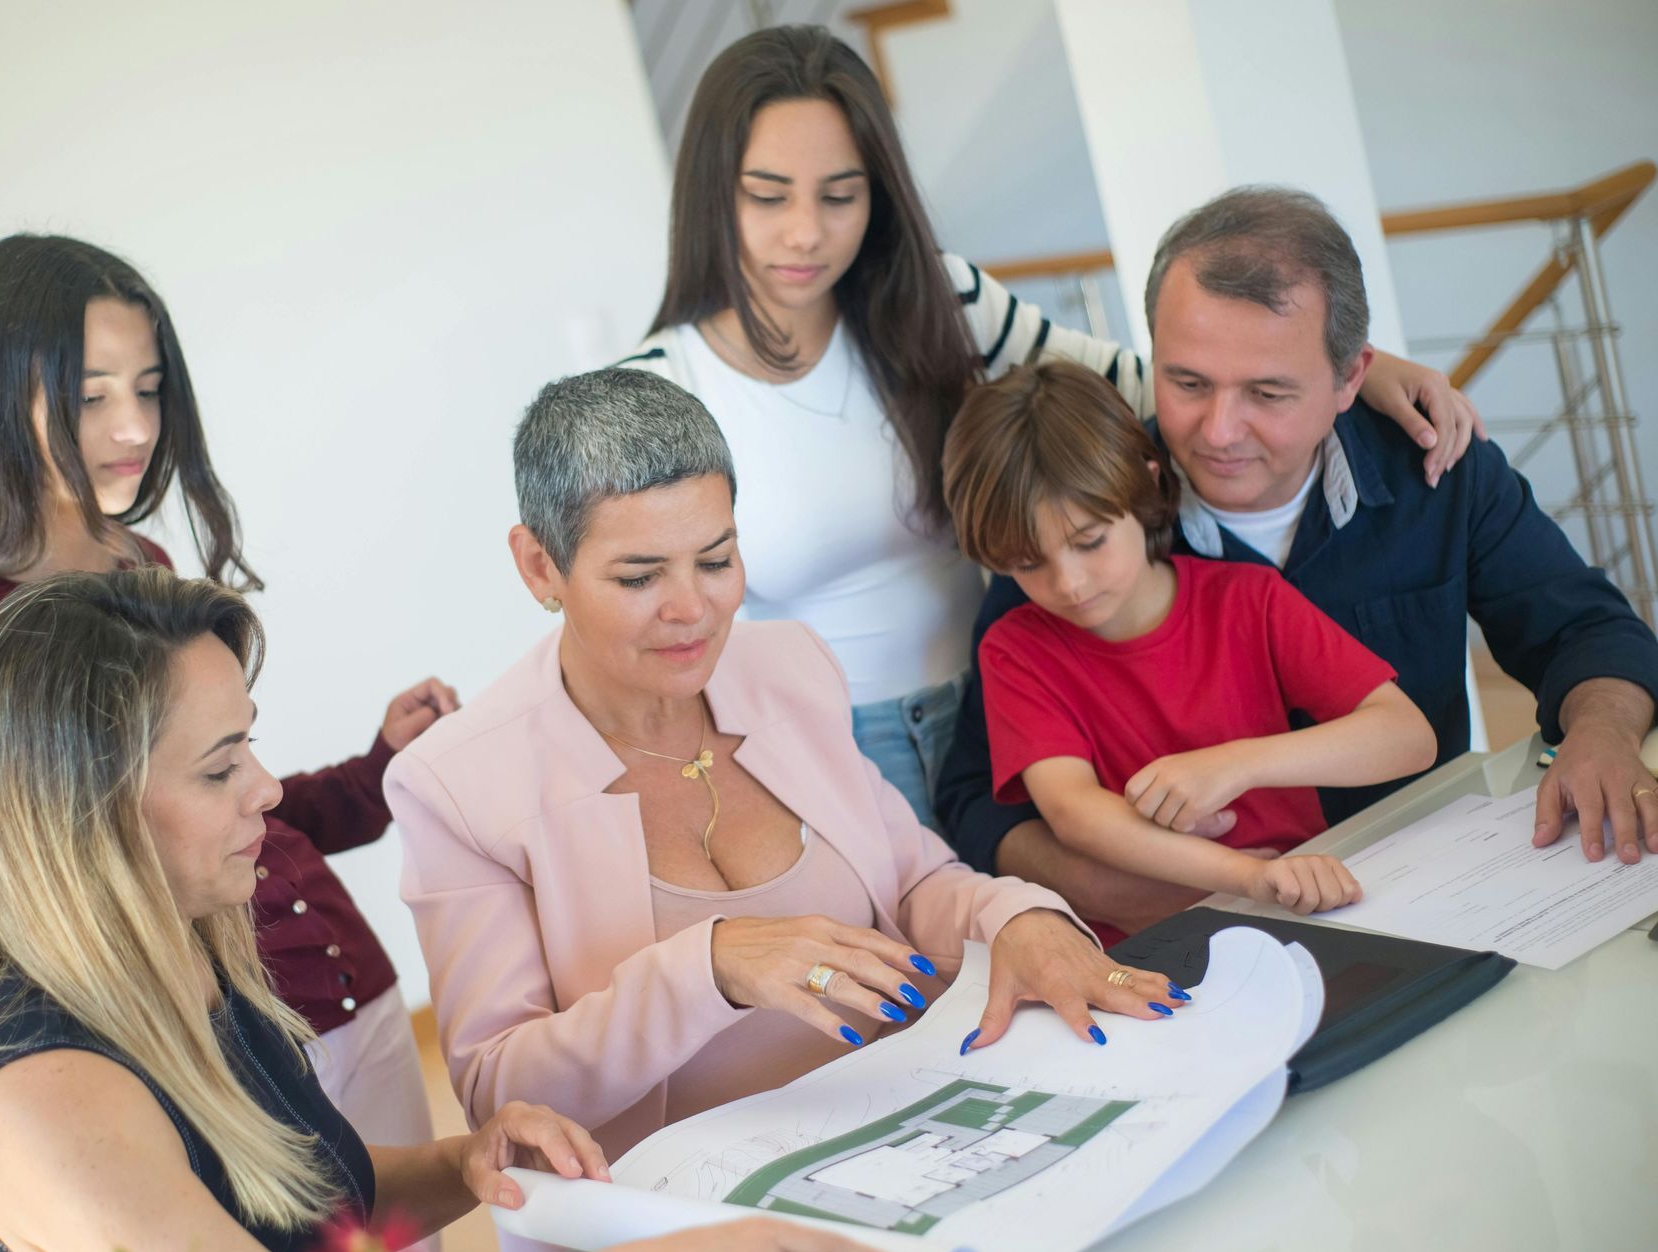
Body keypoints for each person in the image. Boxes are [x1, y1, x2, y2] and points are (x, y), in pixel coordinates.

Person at [0, 236, 456, 1252]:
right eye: (90, 395)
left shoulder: (143, 564)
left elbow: (222, 795)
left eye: (150, 387)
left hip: (307, 1000)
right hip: (179, 1045)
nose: (133, 428)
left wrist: (373, 768)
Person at [0, 568, 909, 1252]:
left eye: (252, 746)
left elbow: (315, 1207)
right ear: (84, 812)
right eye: (219, 765)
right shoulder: (51, 1105)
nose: (268, 791)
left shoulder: (194, 973)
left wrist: (463, 1163)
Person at [619, 24, 1483, 826]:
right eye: (768, 197)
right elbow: (644, 614)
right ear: (711, 195)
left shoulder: (940, 301)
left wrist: (1365, 375)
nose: (805, 232)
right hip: (825, 745)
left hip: (1009, 705)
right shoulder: (657, 392)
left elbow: (1156, 390)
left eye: (841, 196)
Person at [387, 369, 1189, 1190]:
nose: (692, 608)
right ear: (538, 566)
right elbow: (499, 1089)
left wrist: (1020, 917)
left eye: (717, 558)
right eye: (639, 577)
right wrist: (711, 968)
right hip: (682, 1212)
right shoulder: (454, 784)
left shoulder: (789, 667)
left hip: (915, 1133)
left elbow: (915, 882)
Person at [936, 187, 1658, 936]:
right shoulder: (1081, 514)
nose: (1219, 431)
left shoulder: (1438, 469)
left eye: (1268, 392)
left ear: (1351, 379)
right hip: (1203, 927)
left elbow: (1585, 630)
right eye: (1187, 382)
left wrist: (1600, 734)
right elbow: (974, 796)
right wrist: (1111, 884)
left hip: (1435, 883)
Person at [941, 361, 1437, 929]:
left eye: (1090, 541)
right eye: (1028, 564)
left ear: (1147, 484)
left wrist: (1234, 766)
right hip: (1151, 949)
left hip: (1312, 914)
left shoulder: (1250, 601)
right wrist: (1245, 878)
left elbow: (1408, 737)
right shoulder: (1016, 650)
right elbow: (1072, 811)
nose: (1069, 583)